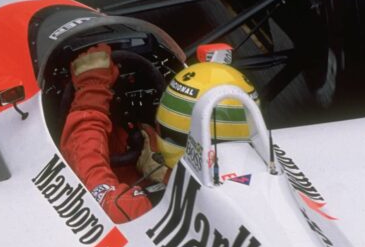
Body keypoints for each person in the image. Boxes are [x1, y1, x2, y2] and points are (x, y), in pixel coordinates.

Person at [60, 43, 257, 224]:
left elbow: (92, 177)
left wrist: (91, 90)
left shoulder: (142, 209)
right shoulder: (268, 176)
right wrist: (168, 176)